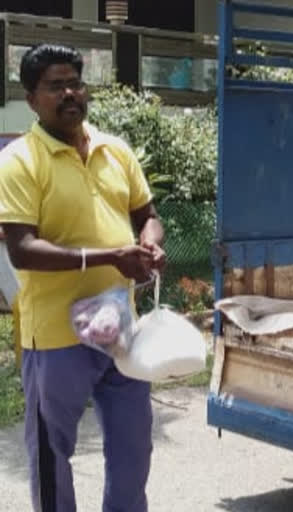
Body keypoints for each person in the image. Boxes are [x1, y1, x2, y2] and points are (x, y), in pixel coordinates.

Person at [0, 44, 165, 512]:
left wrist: (150, 243)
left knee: (133, 450)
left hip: (120, 328)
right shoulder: (18, 162)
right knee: (53, 455)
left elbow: (147, 214)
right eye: (56, 86)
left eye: (76, 82)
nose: (70, 93)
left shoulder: (116, 150)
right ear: (31, 98)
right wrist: (111, 255)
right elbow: (22, 249)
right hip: (55, 335)